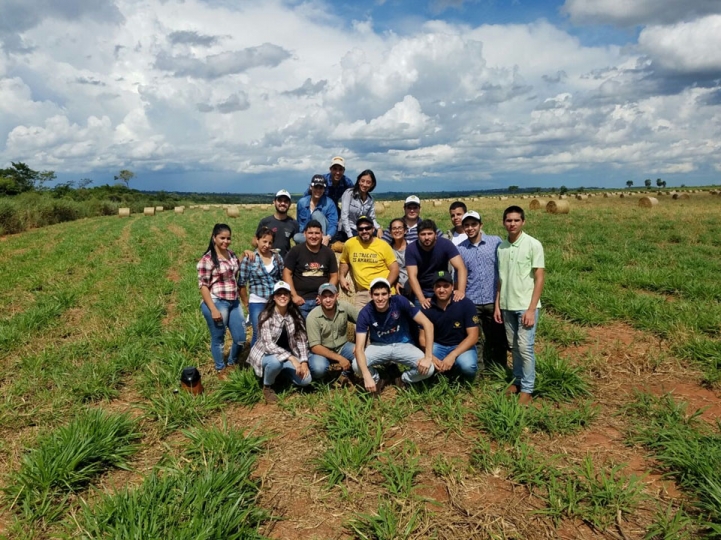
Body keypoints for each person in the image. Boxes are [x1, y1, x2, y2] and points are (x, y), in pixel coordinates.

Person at [494, 206, 545, 406]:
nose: (512, 224)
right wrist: (498, 305)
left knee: (525, 348)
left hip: (525, 306)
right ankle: (516, 381)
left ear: (523, 221)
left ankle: (527, 388)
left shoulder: (533, 244)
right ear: (503, 222)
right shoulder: (501, 247)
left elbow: (539, 278)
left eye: (516, 220)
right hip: (507, 305)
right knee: (514, 346)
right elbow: (500, 280)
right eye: (508, 220)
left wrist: (532, 309)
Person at [353, 278, 435, 395]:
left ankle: (403, 379)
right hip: (378, 346)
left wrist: (428, 357)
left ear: (390, 294)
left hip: (403, 344)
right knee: (356, 365)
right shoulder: (365, 313)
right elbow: (359, 349)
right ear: (371, 295)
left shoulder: (400, 301)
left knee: (429, 368)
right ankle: (376, 379)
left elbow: (428, 324)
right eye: (376, 294)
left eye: (384, 294)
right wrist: (366, 375)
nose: (380, 298)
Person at [457, 211, 507, 369]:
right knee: (475, 338)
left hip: (493, 299)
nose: (470, 228)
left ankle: (498, 368)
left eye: (474, 224)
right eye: (467, 225)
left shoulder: (495, 242)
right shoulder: (460, 249)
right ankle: (478, 370)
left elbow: (503, 268)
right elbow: (458, 275)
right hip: (472, 301)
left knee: (497, 336)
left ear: (481, 225)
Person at [248, 281, 311, 403]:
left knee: (306, 380)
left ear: (290, 297)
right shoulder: (266, 315)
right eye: (279, 294)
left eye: (285, 294)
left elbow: (302, 339)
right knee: (275, 362)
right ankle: (268, 386)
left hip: (288, 353)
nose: (283, 296)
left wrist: (303, 361)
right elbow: (268, 345)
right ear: (274, 297)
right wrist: (292, 358)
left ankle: (280, 374)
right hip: (267, 354)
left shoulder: (295, 315)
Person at [197, 223, 246, 379]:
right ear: (214, 238)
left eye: (228, 238)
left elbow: (233, 271)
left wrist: (244, 256)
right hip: (217, 302)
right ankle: (220, 368)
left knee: (240, 338)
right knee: (218, 338)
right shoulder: (207, 260)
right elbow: (203, 287)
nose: (226, 241)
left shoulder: (231, 255)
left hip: (234, 301)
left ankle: (231, 363)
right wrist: (213, 309)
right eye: (222, 238)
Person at [419, 271, 479, 382]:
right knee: (426, 365)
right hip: (438, 345)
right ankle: (442, 374)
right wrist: (430, 357)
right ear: (433, 288)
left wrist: (453, 355)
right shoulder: (427, 307)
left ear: (452, 287)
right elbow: (422, 338)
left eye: (446, 286)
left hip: (460, 345)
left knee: (468, 366)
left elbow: (473, 336)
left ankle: (464, 379)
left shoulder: (465, 304)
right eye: (438, 286)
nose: (442, 290)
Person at [339, 215, 399, 308]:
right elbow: (344, 261)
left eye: (367, 228)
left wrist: (385, 287)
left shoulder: (383, 245)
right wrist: (342, 277)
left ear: (373, 229)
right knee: (359, 321)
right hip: (362, 294)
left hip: (382, 292)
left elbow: (394, 269)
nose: (364, 231)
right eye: (361, 229)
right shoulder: (350, 244)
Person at [406, 219, 467, 309]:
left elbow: (461, 267)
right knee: (421, 321)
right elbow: (412, 276)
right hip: (421, 290)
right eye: (423, 234)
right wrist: (422, 299)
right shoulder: (411, 249)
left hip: (442, 287)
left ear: (436, 235)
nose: (426, 237)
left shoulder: (446, 244)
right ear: (417, 236)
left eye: (430, 234)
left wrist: (461, 291)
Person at [239, 227, 285, 347]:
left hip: (275, 302)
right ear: (257, 240)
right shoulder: (250, 259)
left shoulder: (277, 258)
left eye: (270, 242)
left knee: (275, 332)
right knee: (258, 332)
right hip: (257, 301)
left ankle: (272, 360)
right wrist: (246, 303)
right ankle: (255, 362)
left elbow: (282, 278)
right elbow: (242, 283)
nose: (267, 245)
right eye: (264, 241)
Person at [283, 220, 339, 319]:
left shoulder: (328, 253)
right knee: (301, 333)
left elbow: (334, 276)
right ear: (304, 234)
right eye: (310, 233)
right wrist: (294, 296)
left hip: (321, 303)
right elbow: (287, 273)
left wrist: (325, 296)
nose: (313, 236)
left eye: (317, 233)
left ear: (322, 234)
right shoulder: (296, 251)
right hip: (301, 302)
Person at [306, 283, 359, 385]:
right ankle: (324, 380)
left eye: (331, 296)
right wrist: (339, 358)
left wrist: (360, 345)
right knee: (318, 369)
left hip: (342, 346)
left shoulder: (345, 307)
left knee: (362, 355)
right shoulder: (312, 317)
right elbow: (315, 347)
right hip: (321, 350)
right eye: (324, 297)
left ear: (337, 296)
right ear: (319, 298)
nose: (328, 300)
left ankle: (345, 373)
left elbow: (363, 321)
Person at [339, 170, 383, 241]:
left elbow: (371, 218)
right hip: (348, 229)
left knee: (382, 237)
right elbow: (344, 216)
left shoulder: (370, 199)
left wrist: (379, 228)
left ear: (372, 184)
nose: (365, 184)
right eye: (362, 181)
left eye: (368, 182)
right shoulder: (349, 193)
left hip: (362, 229)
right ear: (359, 181)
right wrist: (350, 235)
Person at [252, 189, 298, 257]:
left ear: (290, 204)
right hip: (267, 260)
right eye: (280, 200)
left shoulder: (294, 223)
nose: (282, 203)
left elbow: (299, 245)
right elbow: (254, 242)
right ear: (274, 202)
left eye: (286, 201)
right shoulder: (265, 222)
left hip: (285, 262)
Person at [294, 175, 338, 246]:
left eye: (321, 188)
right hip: (310, 234)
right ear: (311, 187)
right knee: (297, 237)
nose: (318, 190)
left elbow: (333, 224)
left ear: (324, 189)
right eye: (316, 187)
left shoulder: (329, 203)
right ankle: (313, 245)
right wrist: (305, 233)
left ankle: (321, 243)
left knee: (316, 214)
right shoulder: (301, 203)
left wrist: (328, 237)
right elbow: (300, 223)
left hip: (324, 234)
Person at [388, 217, 410, 298]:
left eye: (400, 228)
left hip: (413, 285)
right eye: (394, 228)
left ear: (405, 230)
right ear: (390, 232)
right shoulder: (388, 250)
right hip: (397, 288)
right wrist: (394, 283)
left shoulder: (412, 247)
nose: (397, 231)